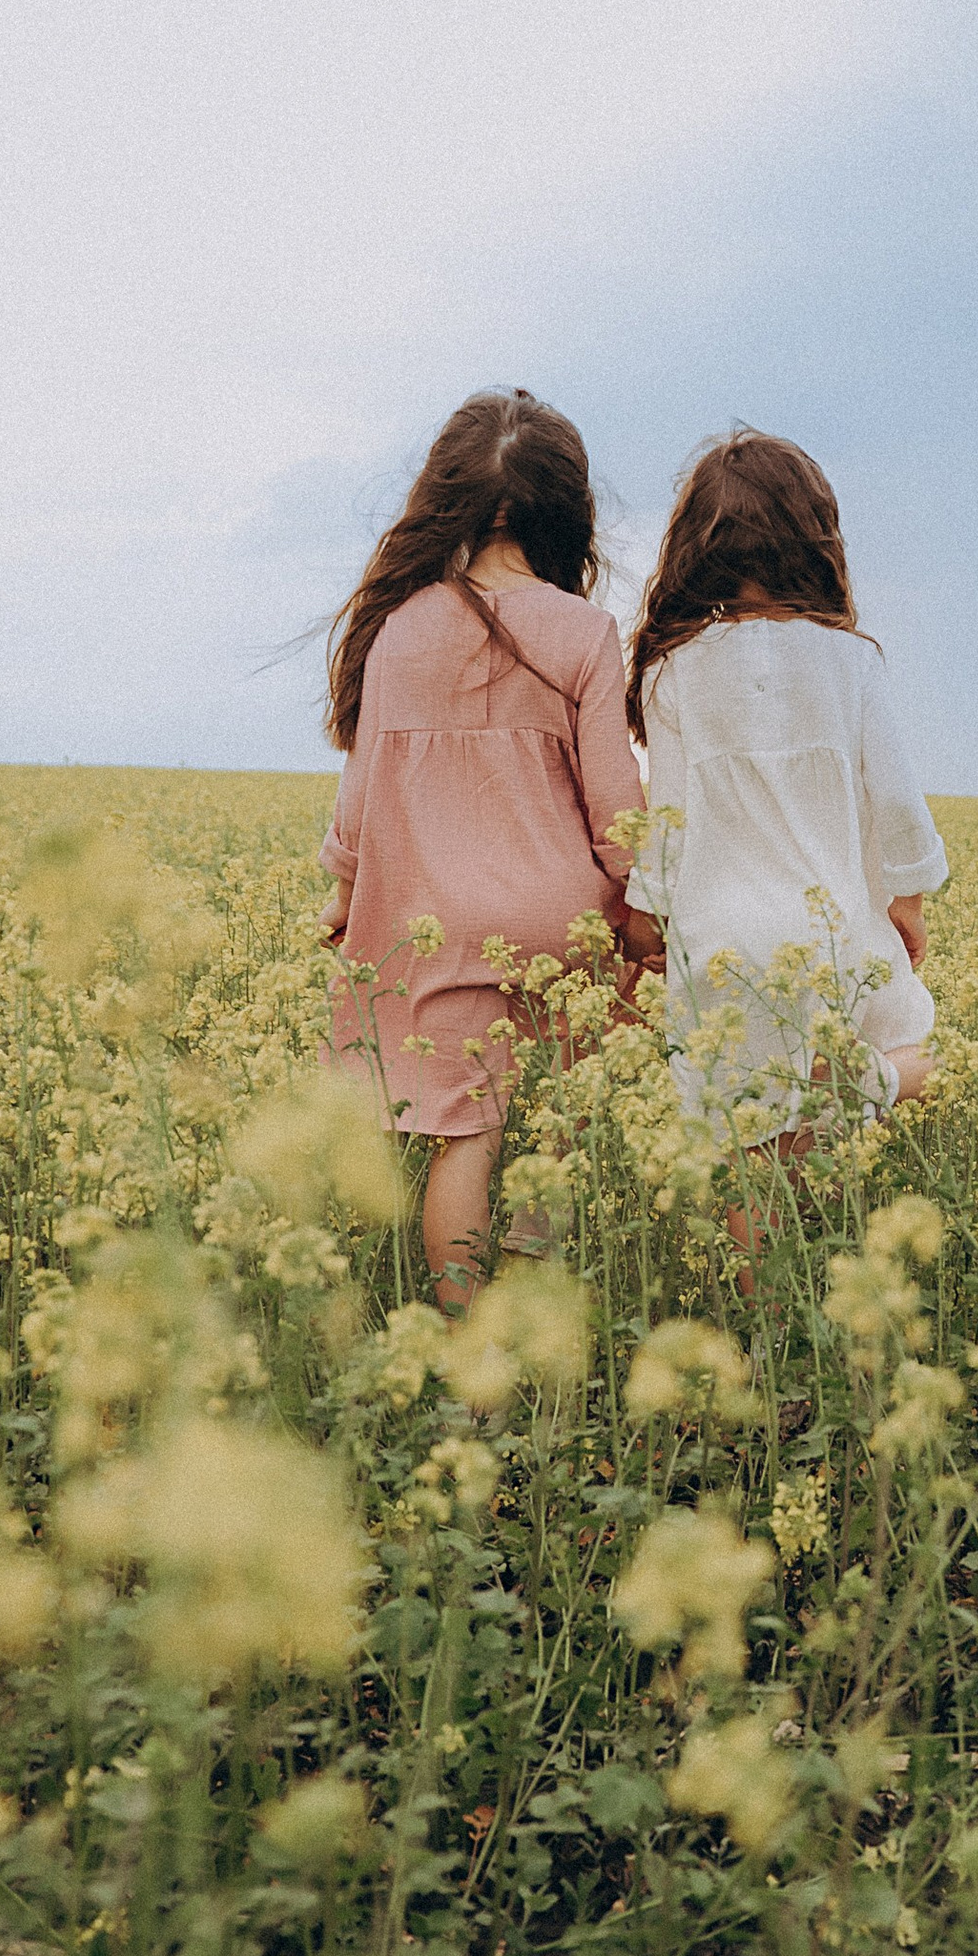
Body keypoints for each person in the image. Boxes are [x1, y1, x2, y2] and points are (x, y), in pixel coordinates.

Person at [320, 389, 654, 1296]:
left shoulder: (398, 631)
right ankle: (532, 1304)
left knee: (468, 1134)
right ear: (564, 513)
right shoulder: (583, 631)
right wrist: (641, 912)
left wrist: (344, 894)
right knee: (559, 1124)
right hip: (560, 924)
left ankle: (469, 1351)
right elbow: (617, 809)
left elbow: (360, 798)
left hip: (439, 923)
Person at [624, 428, 945, 1130]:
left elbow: (666, 824)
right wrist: (909, 901)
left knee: (745, 1130)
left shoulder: (670, 671)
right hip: (832, 931)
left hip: (724, 944)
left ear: (696, 554)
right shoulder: (852, 661)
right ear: (815, 543)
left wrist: (646, 922)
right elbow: (897, 800)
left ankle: (755, 1246)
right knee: (875, 1089)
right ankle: (877, 1083)